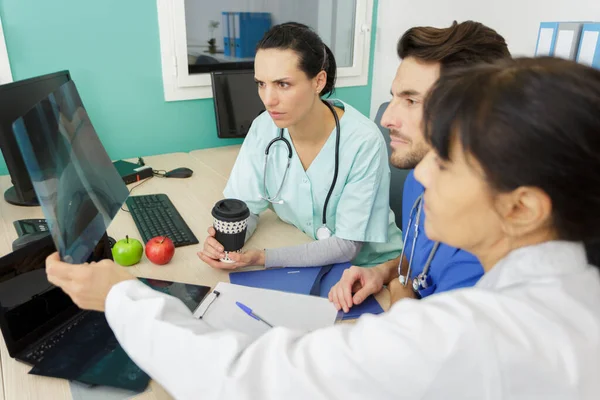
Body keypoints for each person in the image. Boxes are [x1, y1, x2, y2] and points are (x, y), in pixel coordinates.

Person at [47, 56, 600, 398]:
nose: (422, 171)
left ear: (523, 208)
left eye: (448, 161)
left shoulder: (481, 336)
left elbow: (241, 382)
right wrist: (391, 277)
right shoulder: (566, 295)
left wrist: (124, 297)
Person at [329, 21, 511, 312]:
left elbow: (432, 346)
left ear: (470, 114)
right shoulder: (419, 176)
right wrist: (384, 272)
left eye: (411, 100)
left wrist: (400, 289)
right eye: (394, 97)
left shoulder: (488, 246)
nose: (387, 118)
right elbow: (414, 259)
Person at [198, 23, 402, 270]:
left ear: (318, 82)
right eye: (261, 83)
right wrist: (227, 242)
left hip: (372, 268)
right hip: (307, 254)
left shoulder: (363, 141)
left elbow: (348, 246)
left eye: (283, 84)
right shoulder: (264, 127)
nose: (268, 99)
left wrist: (262, 258)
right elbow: (245, 208)